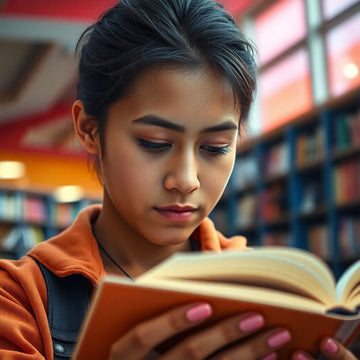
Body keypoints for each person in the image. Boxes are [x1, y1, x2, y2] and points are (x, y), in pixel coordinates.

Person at [0, 0, 358, 359]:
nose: (186, 180)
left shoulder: (270, 291)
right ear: (89, 129)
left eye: (215, 147)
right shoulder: (20, 299)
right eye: (154, 143)